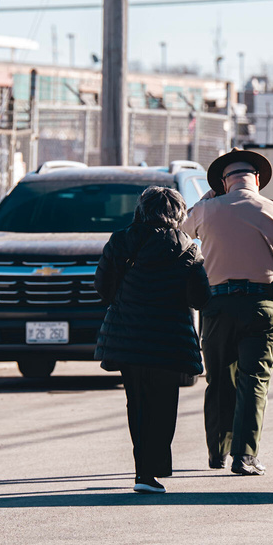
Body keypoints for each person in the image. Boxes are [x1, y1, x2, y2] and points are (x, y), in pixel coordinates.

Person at [182, 149, 273, 476]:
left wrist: (209, 199)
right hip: (262, 306)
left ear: (224, 183)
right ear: (258, 180)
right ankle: (245, 456)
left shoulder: (206, 210)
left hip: (217, 305)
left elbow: (179, 235)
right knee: (254, 380)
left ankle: (216, 452)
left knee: (219, 378)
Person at [94, 186, 210, 494]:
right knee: (163, 405)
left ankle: (142, 472)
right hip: (169, 341)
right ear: (178, 213)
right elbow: (200, 297)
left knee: (138, 404)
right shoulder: (187, 247)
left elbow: (103, 288)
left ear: (141, 209)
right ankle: (154, 468)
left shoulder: (120, 240)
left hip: (128, 338)